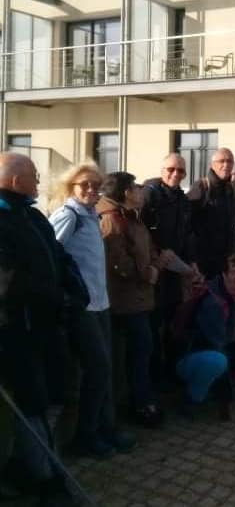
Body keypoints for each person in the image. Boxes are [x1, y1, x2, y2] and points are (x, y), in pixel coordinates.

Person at [0, 152, 83, 505]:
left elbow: (58, 256)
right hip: (17, 333)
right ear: (15, 180)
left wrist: (74, 286)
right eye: (33, 176)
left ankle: (24, 467)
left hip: (48, 328)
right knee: (32, 405)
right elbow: (8, 282)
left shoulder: (32, 216)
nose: (38, 182)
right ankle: (47, 481)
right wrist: (54, 296)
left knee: (56, 394)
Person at [49, 162, 136, 459]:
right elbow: (50, 255)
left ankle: (104, 428)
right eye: (84, 184)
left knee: (105, 369)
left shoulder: (90, 215)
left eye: (95, 185)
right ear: (71, 187)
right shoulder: (68, 215)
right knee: (97, 369)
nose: (90, 189)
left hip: (101, 304)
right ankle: (86, 435)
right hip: (82, 308)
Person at [96, 173, 166, 428]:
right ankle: (139, 406)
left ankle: (141, 400)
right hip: (126, 302)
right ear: (126, 192)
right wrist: (147, 273)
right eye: (137, 188)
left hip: (140, 299)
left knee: (143, 351)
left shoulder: (131, 217)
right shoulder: (112, 220)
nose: (141, 192)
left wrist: (155, 266)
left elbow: (149, 249)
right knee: (137, 352)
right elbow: (118, 262)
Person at [175, 254, 235, 418]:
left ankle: (220, 388)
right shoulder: (213, 300)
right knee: (217, 361)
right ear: (225, 275)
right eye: (234, 273)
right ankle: (194, 398)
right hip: (196, 354)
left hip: (223, 350)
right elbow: (217, 342)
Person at [141, 154, 197, 384]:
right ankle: (154, 379)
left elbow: (187, 235)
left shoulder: (182, 200)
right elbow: (140, 230)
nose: (175, 174)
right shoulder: (149, 195)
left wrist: (191, 261)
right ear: (162, 169)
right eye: (171, 169)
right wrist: (156, 255)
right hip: (154, 272)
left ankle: (172, 374)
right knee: (153, 328)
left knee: (174, 326)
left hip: (175, 274)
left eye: (181, 171)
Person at [188, 148, 235, 278]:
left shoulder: (231, 189)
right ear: (212, 164)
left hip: (226, 262)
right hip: (204, 264)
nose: (226, 165)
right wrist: (192, 259)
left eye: (229, 161)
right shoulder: (201, 187)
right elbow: (187, 225)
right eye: (221, 161)